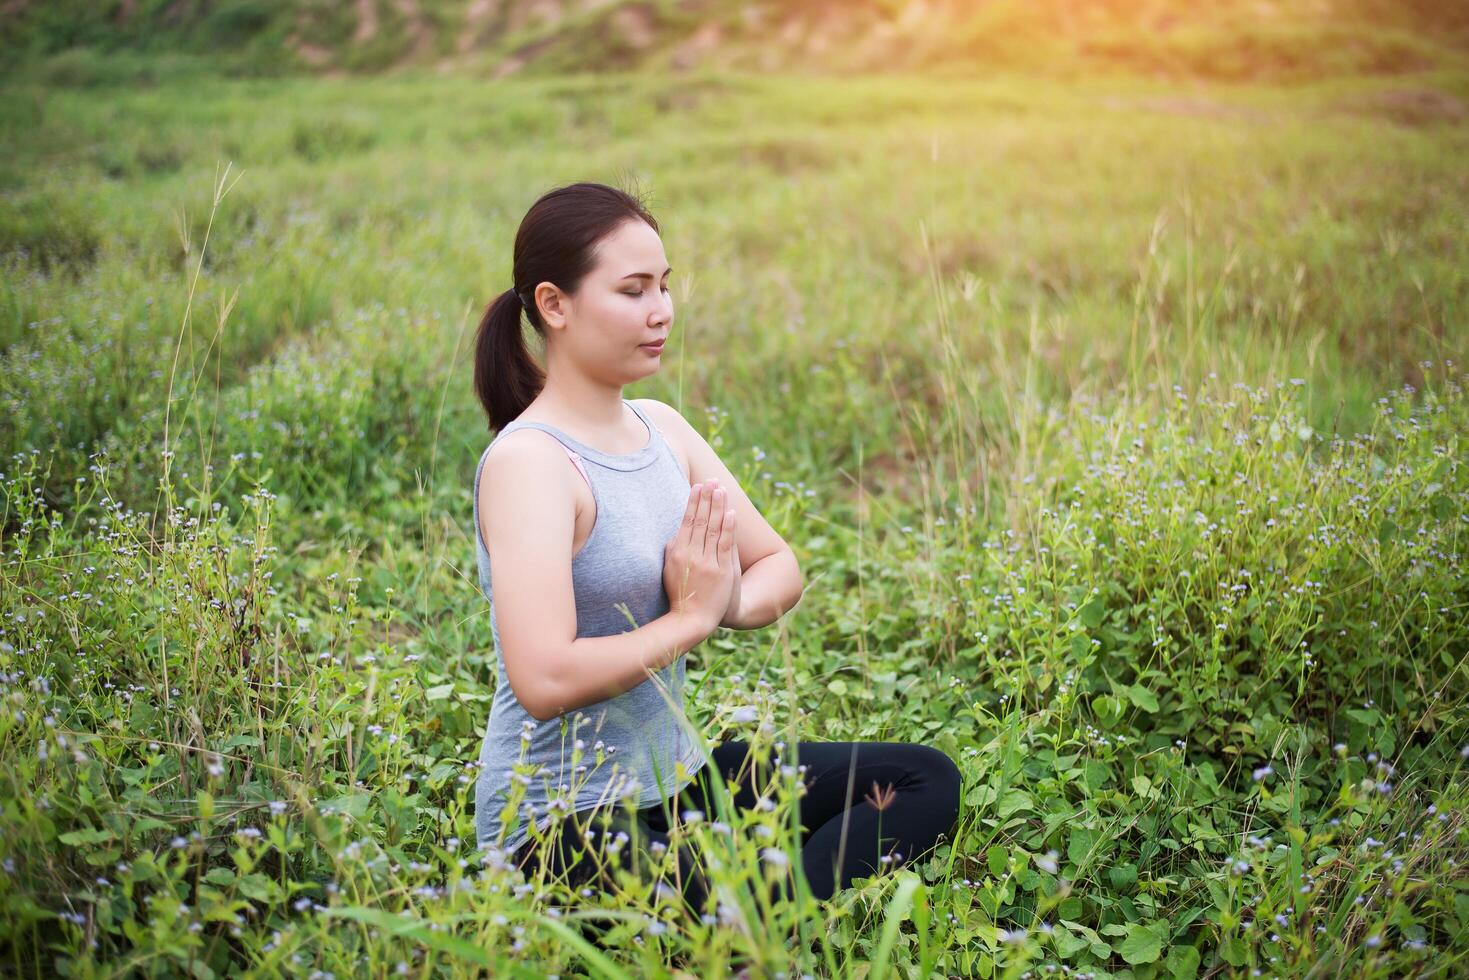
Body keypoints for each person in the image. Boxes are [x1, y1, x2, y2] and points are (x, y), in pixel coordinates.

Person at [468, 180, 962, 918]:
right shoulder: (530, 464)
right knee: (717, 916)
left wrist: (721, 599)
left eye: (664, 286)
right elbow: (541, 678)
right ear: (553, 304)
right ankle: (750, 923)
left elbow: (778, 566)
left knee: (922, 778)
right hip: (557, 823)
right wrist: (689, 622)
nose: (661, 310)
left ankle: (760, 915)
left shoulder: (662, 429)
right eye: (632, 290)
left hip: (679, 783)